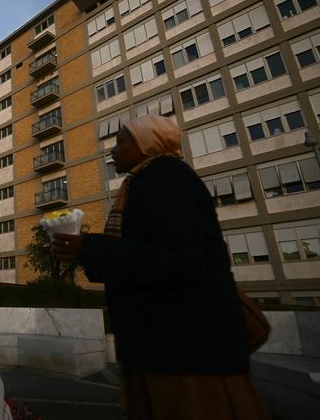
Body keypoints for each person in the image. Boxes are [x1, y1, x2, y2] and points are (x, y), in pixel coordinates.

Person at [52, 115, 270, 419]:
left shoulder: (167, 180)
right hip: (167, 350)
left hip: (188, 355)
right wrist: (84, 252)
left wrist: (90, 247)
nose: (112, 150)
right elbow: (140, 259)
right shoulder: (138, 185)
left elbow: (180, 261)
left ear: (146, 146)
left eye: (122, 141)